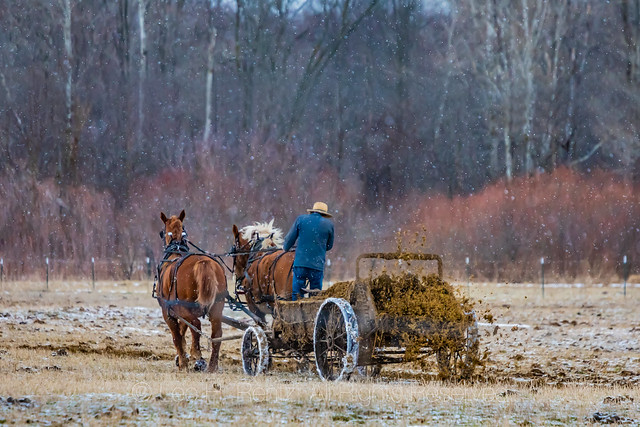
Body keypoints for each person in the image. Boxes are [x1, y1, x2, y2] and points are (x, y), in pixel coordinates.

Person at [283, 202, 334, 301]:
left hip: (301, 263)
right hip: (317, 265)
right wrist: (319, 248)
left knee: (297, 292)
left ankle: (297, 311)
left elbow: (289, 239)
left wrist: (285, 248)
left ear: (312, 211)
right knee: (315, 293)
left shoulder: (301, 219)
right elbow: (329, 246)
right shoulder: (329, 225)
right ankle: (313, 313)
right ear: (325, 214)